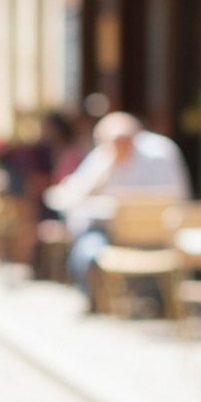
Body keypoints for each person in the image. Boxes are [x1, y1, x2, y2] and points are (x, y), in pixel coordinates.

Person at [44, 109, 191, 304]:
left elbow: (178, 198)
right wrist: (106, 170)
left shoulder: (159, 154)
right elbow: (70, 195)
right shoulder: (103, 157)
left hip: (157, 237)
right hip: (110, 234)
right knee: (86, 252)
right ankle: (96, 302)